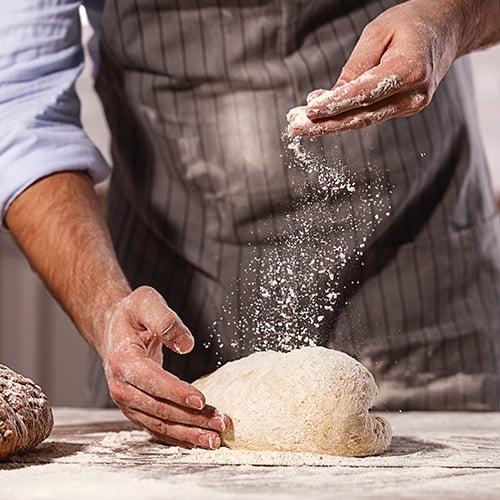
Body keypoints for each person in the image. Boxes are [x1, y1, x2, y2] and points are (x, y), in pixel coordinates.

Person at [1, 0, 499, 450]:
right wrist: (106, 309)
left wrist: (450, 17)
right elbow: (23, 116)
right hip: (175, 303)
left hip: (421, 274)